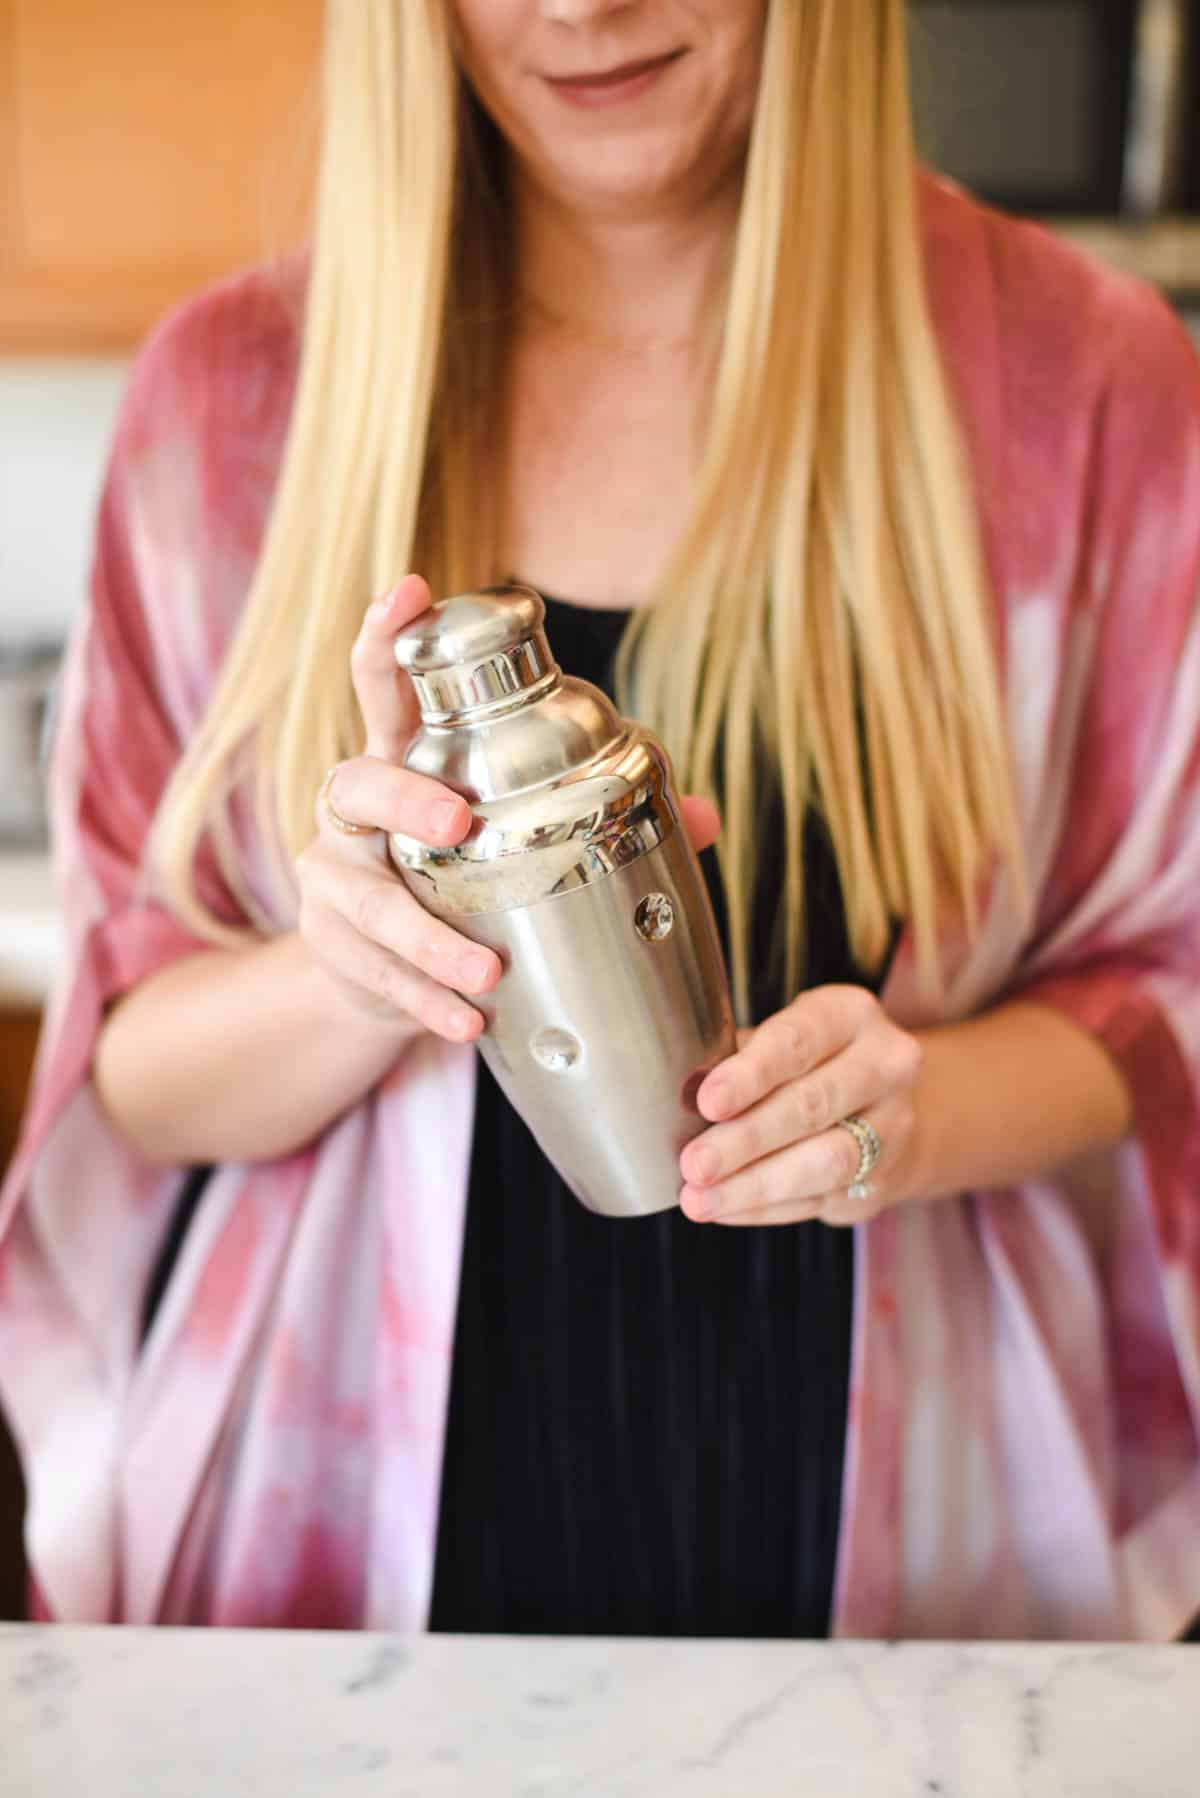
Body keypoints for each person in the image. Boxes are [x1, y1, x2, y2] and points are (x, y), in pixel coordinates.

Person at [1, 0, 1199, 1640]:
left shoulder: (1093, 387)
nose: (583, 6)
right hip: (353, 1564)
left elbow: (1163, 1000)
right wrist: (350, 972)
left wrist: (916, 1113)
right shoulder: (227, 410)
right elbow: (129, 1074)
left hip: (925, 1555)